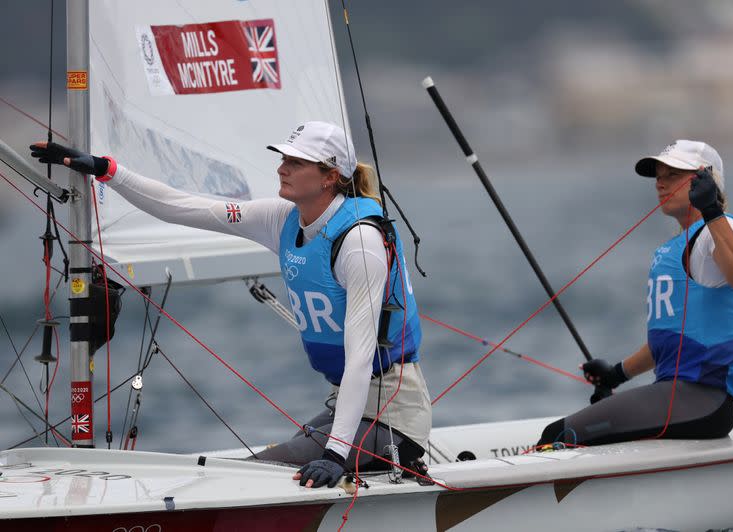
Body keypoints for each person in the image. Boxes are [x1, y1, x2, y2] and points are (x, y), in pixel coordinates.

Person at [31, 121, 432, 488]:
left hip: (394, 416)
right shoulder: (282, 218)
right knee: (262, 468)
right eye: (283, 158)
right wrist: (106, 169)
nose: (282, 168)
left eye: (296, 161)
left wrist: (335, 455)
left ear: (330, 177)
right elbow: (183, 207)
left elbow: (361, 357)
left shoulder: (360, 244)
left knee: (255, 475)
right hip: (350, 405)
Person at [538, 139, 733, 447]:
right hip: (680, 399)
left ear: (704, 179)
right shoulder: (682, 243)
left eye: (672, 174)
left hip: (701, 399)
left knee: (560, 435)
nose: (660, 183)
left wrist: (711, 209)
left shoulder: (724, 232)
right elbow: (672, 340)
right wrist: (616, 374)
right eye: (658, 175)